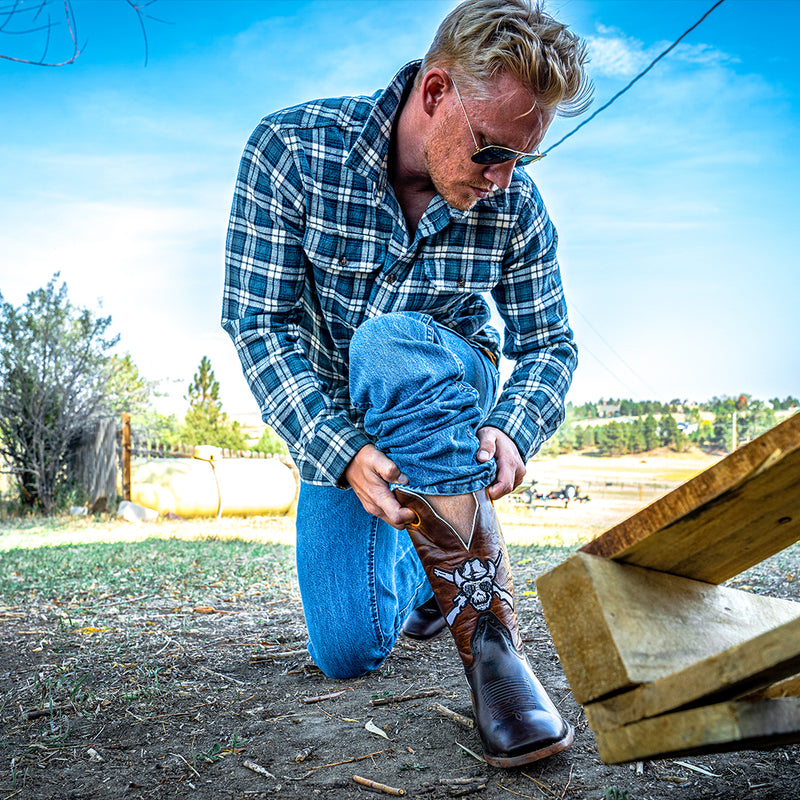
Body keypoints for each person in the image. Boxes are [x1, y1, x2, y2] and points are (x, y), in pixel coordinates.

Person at [223, 0, 591, 768]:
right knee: (348, 650)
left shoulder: (515, 204)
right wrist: (342, 451)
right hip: (341, 425)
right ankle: (430, 566)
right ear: (434, 94)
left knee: (391, 342)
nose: (505, 178)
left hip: (448, 381)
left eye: (524, 158)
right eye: (493, 151)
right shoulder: (290, 149)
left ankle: (490, 639)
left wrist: (515, 425)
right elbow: (260, 324)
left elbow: (551, 344)